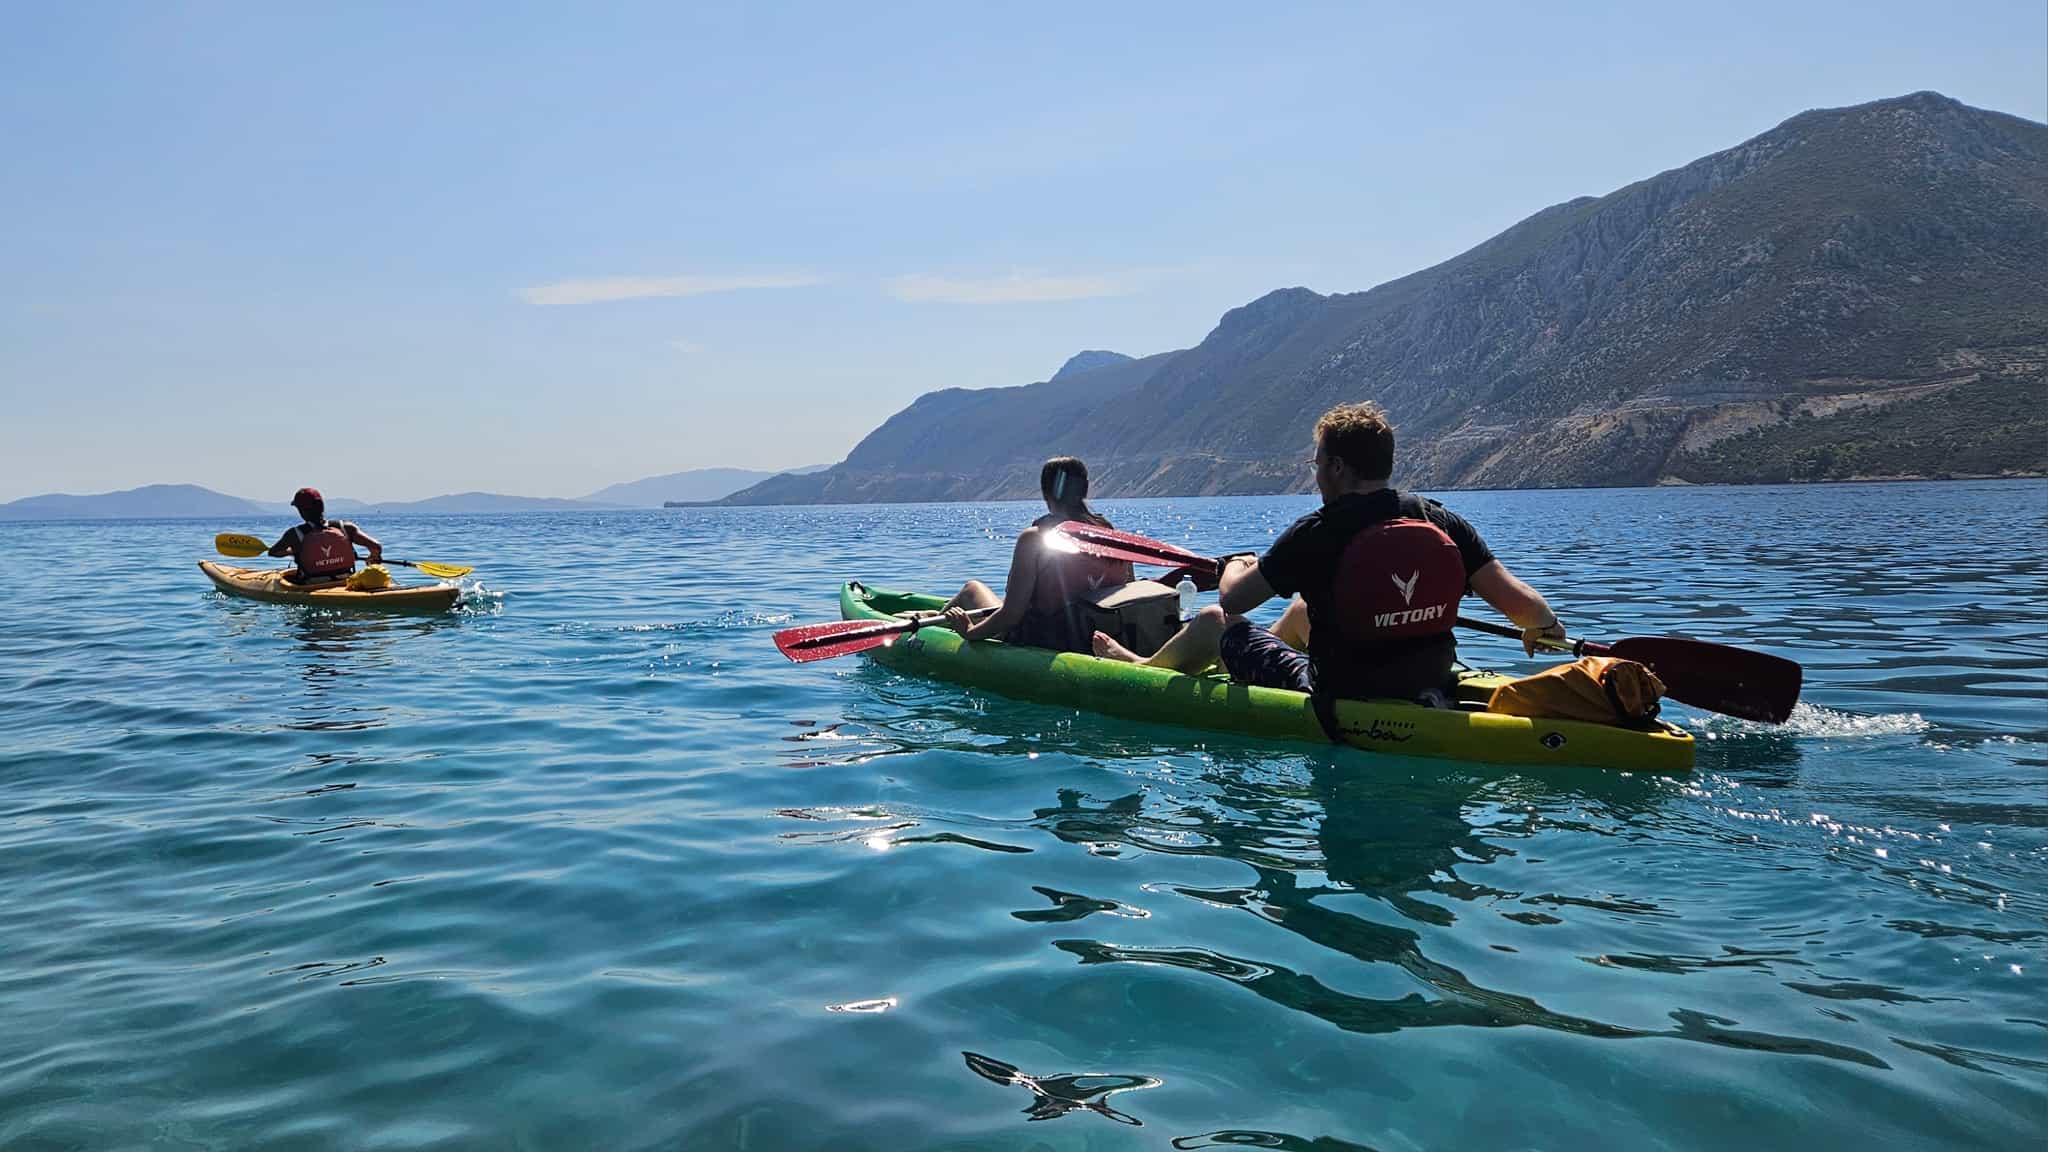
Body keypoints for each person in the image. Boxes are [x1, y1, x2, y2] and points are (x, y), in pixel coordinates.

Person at [1094, 402, 1566, 718]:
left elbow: (1235, 596)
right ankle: (1240, 664)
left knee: (1216, 620)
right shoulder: (1438, 519)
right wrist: (1540, 625)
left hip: (1341, 692)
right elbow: (1529, 609)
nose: (1316, 473)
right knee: (1301, 610)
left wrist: (1235, 563)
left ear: (1337, 467)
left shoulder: (1318, 531)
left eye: (1317, 462)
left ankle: (1143, 666)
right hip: (1430, 681)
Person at [938, 457, 1137, 652]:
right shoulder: (1111, 535)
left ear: (1046, 492)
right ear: (1085, 489)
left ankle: (930, 629)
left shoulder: (1034, 538)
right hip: (1100, 638)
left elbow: (1011, 615)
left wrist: (969, 632)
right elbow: (1128, 594)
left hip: (1043, 639)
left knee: (971, 589)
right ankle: (936, 617)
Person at [267, 487, 382, 584]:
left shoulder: (294, 534)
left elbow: (274, 552)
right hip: (346, 581)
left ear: (301, 511)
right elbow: (376, 546)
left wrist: (292, 551)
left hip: (312, 584)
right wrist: (373, 557)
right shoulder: (345, 527)